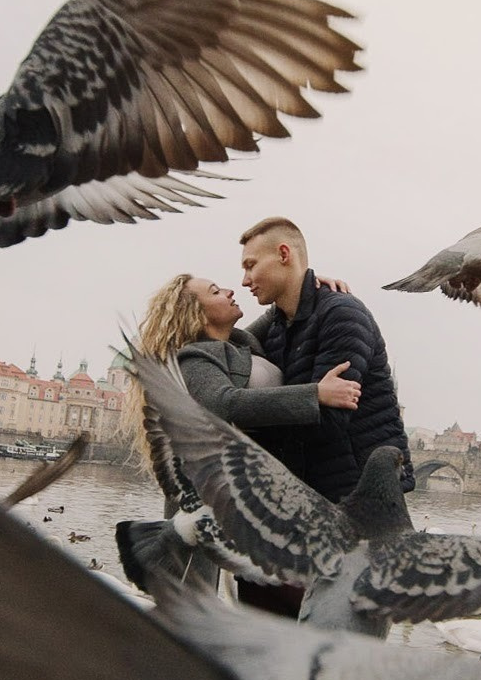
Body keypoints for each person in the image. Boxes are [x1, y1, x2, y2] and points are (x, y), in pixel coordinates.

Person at [123, 271, 361, 616]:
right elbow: (224, 402)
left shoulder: (238, 343)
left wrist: (306, 281)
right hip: (201, 500)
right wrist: (316, 394)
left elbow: (281, 306)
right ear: (196, 315)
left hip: (233, 498)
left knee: (203, 609)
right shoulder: (193, 359)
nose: (230, 290)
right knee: (188, 608)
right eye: (215, 291)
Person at [239, 216, 412, 502]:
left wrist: (240, 426)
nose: (245, 280)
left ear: (284, 254)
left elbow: (326, 420)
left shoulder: (342, 314)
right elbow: (228, 346)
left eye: (251, 265)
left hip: (361, 496)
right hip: (313, 491)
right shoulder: (278, 325)